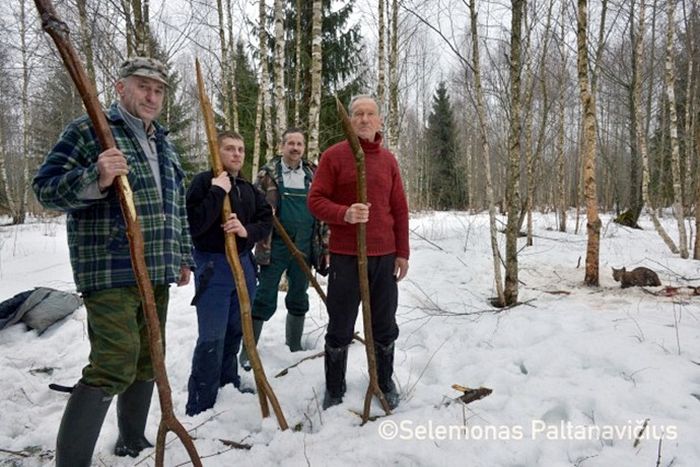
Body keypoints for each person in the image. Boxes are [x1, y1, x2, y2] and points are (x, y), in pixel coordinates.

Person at [33, 57, 194, 466]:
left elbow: (175, 206)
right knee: (114, 361)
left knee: (147, 357)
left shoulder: (163, 141)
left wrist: (182, 254)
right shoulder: (90, 129)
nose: (151, 96)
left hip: (156, 267)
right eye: (142, 86)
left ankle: (131, 441)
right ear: (120, 88)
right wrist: (96, 176)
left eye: (158, 90)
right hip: (109, 267)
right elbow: (45, 190)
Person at [308, 95, 410, 410]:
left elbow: (400, 209)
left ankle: (384, 380)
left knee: (384, 324)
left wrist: (402, 252)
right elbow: (315, 200)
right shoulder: (334, 156)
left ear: (379, 120)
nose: (364, 119)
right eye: (358, 114)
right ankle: (334, 388)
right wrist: (344, 214)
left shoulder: (388, 160)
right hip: (345, 256)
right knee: (340, 324)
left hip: (384, 256)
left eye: (370, 114)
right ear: (349, 121)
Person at [184, 131, 272, 416]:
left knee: (236, 329)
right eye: (230, 149)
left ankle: (227, 382)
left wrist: (246, 231)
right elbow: (194, 224)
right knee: (212, 334)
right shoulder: (202, 183)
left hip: (244, 265)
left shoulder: (247, 187)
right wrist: (217, 191)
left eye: (241, 149)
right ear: (216, 151)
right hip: (213, 266)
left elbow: (266, 219)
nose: (237, 154)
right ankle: (201, 401)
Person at [239, 128, 328, 371]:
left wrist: (324, 245)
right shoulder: (268, 174)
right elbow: (252, 206)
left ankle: (294, 347)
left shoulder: (313, 174)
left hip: (305, 246)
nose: (295, 148)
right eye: (291, 143)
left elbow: (323, 208)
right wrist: (265, 212)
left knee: (299, 295)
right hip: (274, 245)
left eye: (299, 143)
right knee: (264, 296)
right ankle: (247, 352)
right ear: (282, 146)